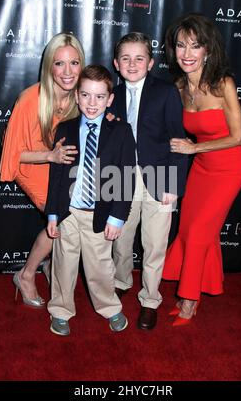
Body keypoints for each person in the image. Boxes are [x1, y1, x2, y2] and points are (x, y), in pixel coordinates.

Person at [162, 13, 241, 326]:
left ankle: (189, 300)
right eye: (181, 45)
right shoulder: (179, 87)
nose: (187, 53)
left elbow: (237, 137)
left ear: (207, 50)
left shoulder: (222, 84)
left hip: (229, 168)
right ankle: (200, 286)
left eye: (195, 46)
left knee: (199, 232)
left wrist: (194, 147)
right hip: (201, 168)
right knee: (190, 230)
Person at [45, 65, 136, 335]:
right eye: (85, 95)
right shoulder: (66, 128)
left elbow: (126, 178)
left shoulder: (120, 132)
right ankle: (60, 309)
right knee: (63, 264)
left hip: (100, 213)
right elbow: (57, 176)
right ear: (76, 96)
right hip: (68, 212)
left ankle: (109, 307)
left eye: (99, 97)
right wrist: (52, 214)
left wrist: (117, 217)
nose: (92, 103)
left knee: (100, 266)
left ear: (110, 99)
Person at [109, 32, 188, 330]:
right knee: (120, 238)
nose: (132, 63)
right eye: (126, 58)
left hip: (160, 176)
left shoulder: (166, 92)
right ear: (117, 63)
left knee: (154, 244)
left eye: (139, 58)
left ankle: (150, 299)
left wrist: (173, 184)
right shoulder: (110, 96)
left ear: (150, 62)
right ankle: (121, 280)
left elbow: (178, 139)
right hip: (120, 176)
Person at [0, 33, 85, 307]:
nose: (68, 72)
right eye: (60, 64)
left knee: (76, 213)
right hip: (30, 164)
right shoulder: (29, 99)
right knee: (60, 215)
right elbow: (12, 155)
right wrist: (50, 155)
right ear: (49, 66)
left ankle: (49, 265)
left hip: (59, 164)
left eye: (74, 63)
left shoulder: (80, 96)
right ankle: (25, 275)